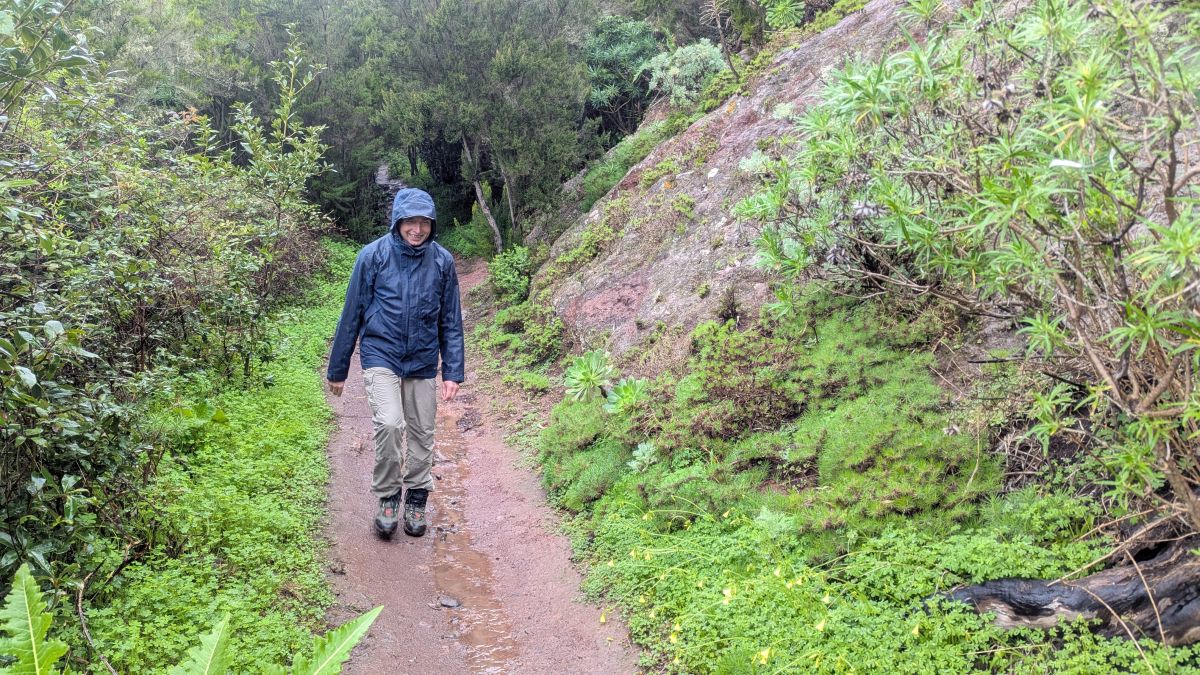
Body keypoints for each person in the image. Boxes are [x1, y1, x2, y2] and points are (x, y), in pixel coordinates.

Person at [326, 187, 464, 538]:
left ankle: (416, 498)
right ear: (397, 222)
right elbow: (352, 313)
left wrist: (452, 371)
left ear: (432, 225)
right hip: (381, 353)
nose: (417, 229)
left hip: (421, 359)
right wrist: (338, 369)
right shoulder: (372, 257)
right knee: (389, 424)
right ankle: (388, 496)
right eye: (410, 222)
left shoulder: (442, 262)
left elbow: (450, 319)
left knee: (422, 433)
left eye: (424, 223)